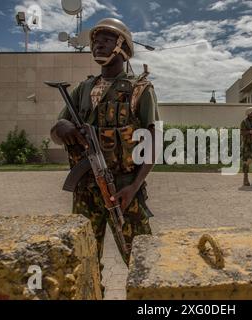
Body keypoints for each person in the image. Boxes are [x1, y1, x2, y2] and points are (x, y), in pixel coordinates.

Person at [50, 18, 159, 271]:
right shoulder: (83, 89)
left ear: (122, 46)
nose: (98, 44)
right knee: (82, 262)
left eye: (106, 39)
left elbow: (153, 142)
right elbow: (57, 132)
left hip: (123, 189)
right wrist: (61, 127)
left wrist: (134, 187)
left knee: (143, 263)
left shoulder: (139, 89)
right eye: (96, 41)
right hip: (85, 190)